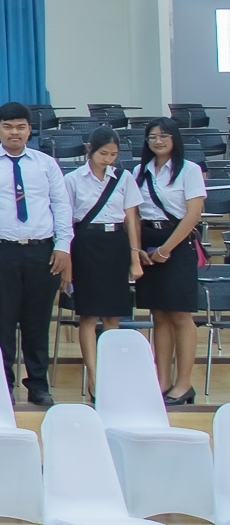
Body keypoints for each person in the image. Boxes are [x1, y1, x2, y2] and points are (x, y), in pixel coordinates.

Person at [0, 103, 71, 404]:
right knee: (1, 321)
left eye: (20, 127)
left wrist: (63, 246)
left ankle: (38, 384)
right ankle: (3, 383)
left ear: (29, 130)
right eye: (8, 127)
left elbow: (61, 205)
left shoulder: (46, 164)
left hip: (42, 250)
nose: (14, 132)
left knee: (37, 321)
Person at [62, 127, 142, 401]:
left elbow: (131, 219)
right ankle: (94, 378)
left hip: (115, 244)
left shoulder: (124, 177)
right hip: (85, 243)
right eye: (103, 153)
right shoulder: (72, 179)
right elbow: (66, 222)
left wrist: (134, 258)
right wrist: (68, 264)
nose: (108, 159)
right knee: (88, 314)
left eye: (113, 155)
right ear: (90, 149)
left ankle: (111, 374)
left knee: (112, 315)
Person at [134, 120, 206, 403]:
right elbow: (133, 213)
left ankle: (184, 384)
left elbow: (193, 214)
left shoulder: (189, 170)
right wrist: (137, 249)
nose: (158, 141)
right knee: (159, 314)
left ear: (175, 138)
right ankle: (162, 381)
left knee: (180, 315)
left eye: (164, 136)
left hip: (177, 242)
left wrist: (165, 249)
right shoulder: (139, 171)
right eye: (152, 137)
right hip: (148, 242)